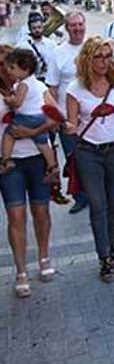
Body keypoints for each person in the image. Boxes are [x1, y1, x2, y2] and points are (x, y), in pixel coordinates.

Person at [65, 36, 114, 282]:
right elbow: (72, 123)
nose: (104, 61)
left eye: (108, 56)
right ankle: (103, 256)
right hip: (88, 152)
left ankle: (111, 245)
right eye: (99, 56)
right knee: (97, 204)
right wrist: (68, 127)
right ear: (88, 59)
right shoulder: (75, 89)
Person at [0, 45, 57, 298]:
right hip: (9, 165)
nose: (5, 69)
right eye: (2, 65)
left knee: (41, 211)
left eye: (8, 64)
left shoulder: (32, 87)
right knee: (15, 216)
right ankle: (21, 270)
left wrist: (32, 132)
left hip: (35, 159)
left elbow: (54, 115)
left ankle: (43, 256)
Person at [46, 12, 89, 213]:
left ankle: (98, 194)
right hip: (67, 117)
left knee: (96, 156)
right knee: (74, 158)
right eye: (73, 25)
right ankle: (80, 197)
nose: (77, 28)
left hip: (94, 116)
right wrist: (54, 116)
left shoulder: (93, 47)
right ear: (66, 28)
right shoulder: (57, 52)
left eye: (80, 24)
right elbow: (52, 87)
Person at [0, 49, 59, 182]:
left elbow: (18, 103)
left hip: (27, 117)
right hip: (38, 117)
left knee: (9, 135)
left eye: (11, 67)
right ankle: (52, 166)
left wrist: (10, 100)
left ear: (25, 69)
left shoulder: (22, 85)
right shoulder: (33, 83)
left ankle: (6, 160)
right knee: (43, 143)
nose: (7, 70)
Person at [16, 13, 56, 82]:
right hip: (31, 81)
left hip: (48, 79)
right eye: (34, 28)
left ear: (43, 27)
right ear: (30, 29)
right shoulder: (23, 46)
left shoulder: (52, 44)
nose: (37, 30)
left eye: (39, 27)